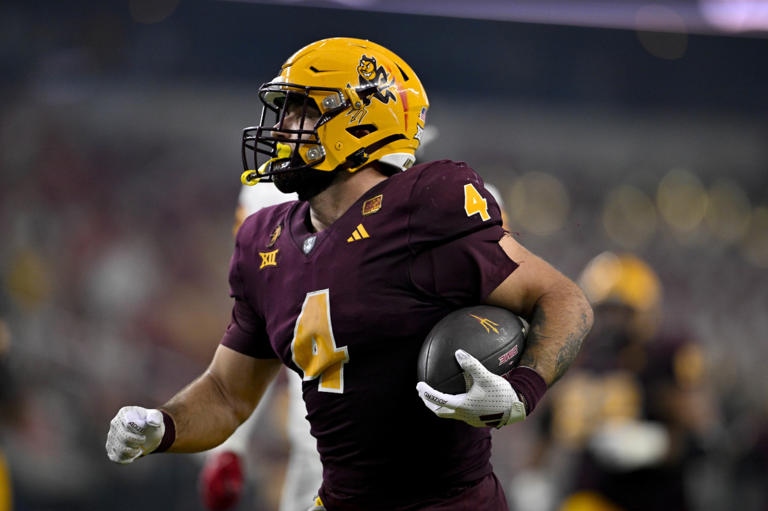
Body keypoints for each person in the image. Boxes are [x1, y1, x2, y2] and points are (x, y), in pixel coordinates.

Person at [106, 37, 593, 510]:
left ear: (362, 120)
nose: (281, 130)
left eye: (303, 110)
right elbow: (227, 394)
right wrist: (164, 425)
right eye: (284, 112)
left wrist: (522, 389)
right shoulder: (263, 241)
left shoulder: (424, 206)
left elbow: (563, 299)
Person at [528, 252, 716, 511]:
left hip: (656, 498)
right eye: (604, 311)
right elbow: (545, 423)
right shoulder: (580, 358)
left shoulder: (663, 358)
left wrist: (655, 445)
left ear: (644, 313)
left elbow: (704, 441)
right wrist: (533, 479)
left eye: (620, 312)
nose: (609, 323)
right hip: (592, 497)